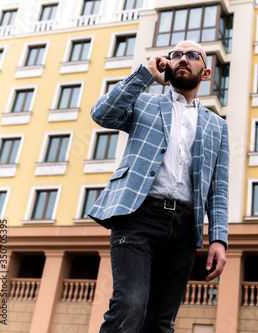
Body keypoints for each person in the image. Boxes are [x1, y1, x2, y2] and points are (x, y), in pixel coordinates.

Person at [87, 40, 229, 332]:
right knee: (130, 305)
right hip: (138, 216)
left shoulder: (218, 126)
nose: (182, 59)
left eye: (192, 55)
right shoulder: (144, 102)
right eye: (176, 55)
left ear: (206, 73)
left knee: (162, 321)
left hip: (184, 229)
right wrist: (143, 75)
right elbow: (102, 114)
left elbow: (219, 188)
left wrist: (219, 238)